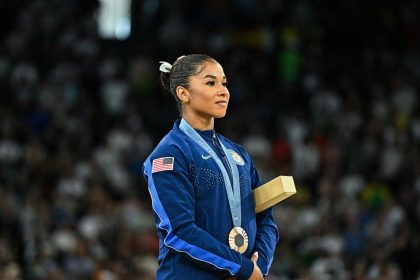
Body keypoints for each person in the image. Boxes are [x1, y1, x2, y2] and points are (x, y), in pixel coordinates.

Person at [142, 54, 279, 280]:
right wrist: (240, 267)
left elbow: (266, 218)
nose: (223, 90)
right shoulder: (170, 154)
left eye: (224, 83)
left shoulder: (239, 154)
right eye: (210, 83)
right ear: (183, 93)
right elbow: (179, 231)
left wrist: (259, 265)